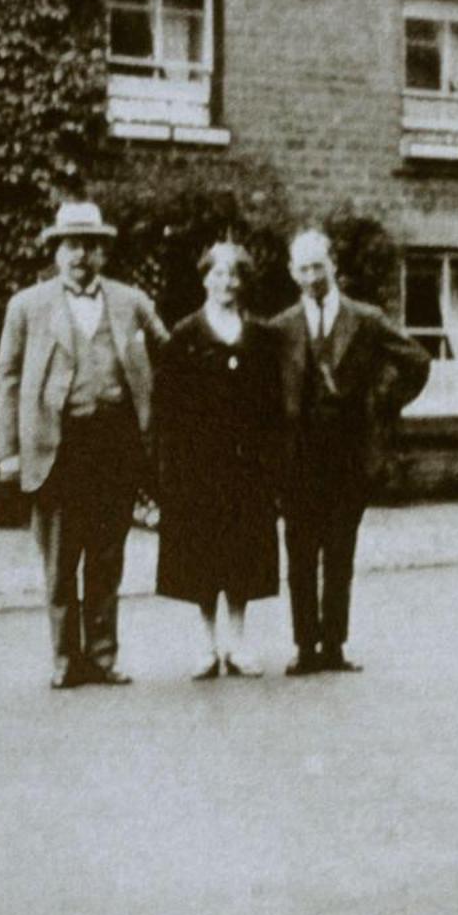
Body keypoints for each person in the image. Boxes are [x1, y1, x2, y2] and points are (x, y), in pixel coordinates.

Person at [0, 200, 168, 689]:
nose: (81, 256)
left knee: (107, 556)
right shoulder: (27, 306)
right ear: (55, 250)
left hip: (116, 445)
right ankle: (67, 659)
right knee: (60, 559)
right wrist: (9, 450)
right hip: (57, 448)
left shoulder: (132, 302)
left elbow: (171, 354)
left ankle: (105, 656)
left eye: (90, 246)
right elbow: (5, 379)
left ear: (103, 252)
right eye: (72, 245)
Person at [272, 228, 431, 675]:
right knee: (301, 557)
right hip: (299, 459)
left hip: (347, 457)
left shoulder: (365, 319)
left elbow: (417, 360)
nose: (311, 276)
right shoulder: (282, 327)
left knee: (340, 554)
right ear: (292, 273)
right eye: (302, 268)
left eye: (317, 266)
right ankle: (306, 646)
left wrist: (383, 402)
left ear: (332, 266)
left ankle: (335, 646)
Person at [154, 242, 282, 679]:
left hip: (248, 467)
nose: (226, 282)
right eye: (217, 273)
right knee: (203, 555)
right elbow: (166, 408)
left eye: (234, 275)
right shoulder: (184, 336)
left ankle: (239, 643)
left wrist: (270, 462)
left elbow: (273, 407)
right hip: (198, 466)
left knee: (243, 554)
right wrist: (170, 468)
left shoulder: (262, 337)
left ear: (243, 282)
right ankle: (207, 645)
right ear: (204, 277)